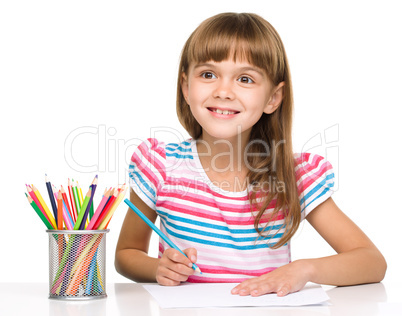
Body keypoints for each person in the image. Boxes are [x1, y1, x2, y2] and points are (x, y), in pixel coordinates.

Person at [115, 12, 386, 297]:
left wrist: (304, 269)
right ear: (185, 86)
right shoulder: (160, 166)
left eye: (244, 79)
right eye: (208, 74)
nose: (223, 91)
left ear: (273, 98)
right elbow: (126, 253)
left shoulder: (293, 175)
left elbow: (371, 261)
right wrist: (157, 268)